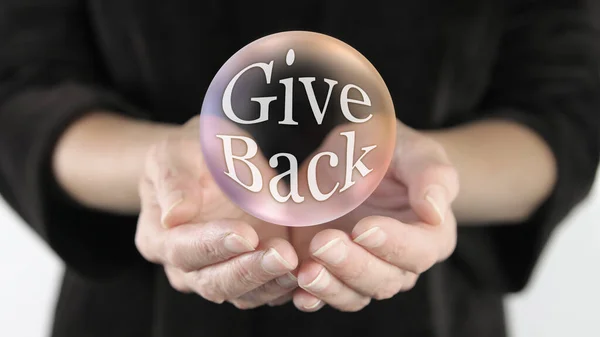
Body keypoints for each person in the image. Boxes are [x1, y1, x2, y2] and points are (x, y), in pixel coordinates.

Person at [0, 0, 598, 336]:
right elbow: (20, 90)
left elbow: (565, 108)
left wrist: (430, 179)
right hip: (139, 315)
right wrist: (168, 168)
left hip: (428, 314)